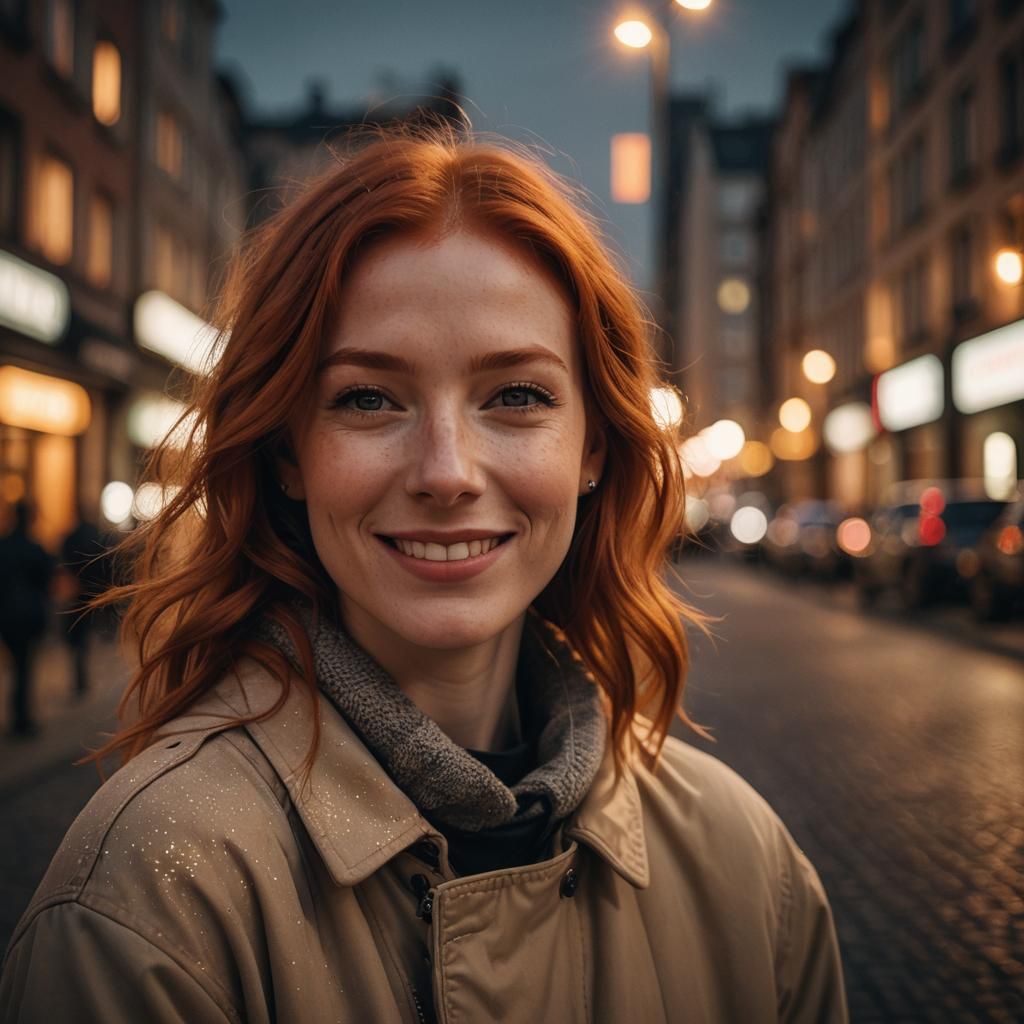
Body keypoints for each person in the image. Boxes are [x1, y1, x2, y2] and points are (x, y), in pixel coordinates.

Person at [0, 126, 848, 1022]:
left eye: (516, 396)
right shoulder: (153, 903)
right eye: (369, 398)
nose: (447, 471)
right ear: (289, 452)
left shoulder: (747, 867)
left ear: (592, 444)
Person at [0, 501, 55, 738]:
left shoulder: (4, 546)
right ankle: (21, 719)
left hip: (7, 615)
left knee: (17, 666)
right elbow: (47, 580)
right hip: (29, 614)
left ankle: (19, 716)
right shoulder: (34, 548)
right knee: (24, 668)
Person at [58, 509, 111, 697]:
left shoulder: (71, 537)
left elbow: (62, 562)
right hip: (92, 590)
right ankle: (81, 675)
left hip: (76, 590)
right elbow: (106, 562)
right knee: (84, 634)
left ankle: (79, 676)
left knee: (77, 635)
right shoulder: (96, 536)